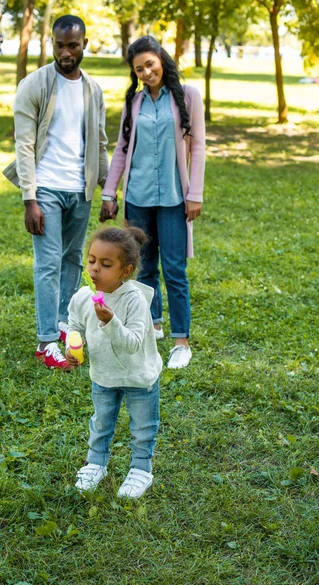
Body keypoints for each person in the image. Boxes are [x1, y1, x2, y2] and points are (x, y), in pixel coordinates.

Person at [3, 15, 109, 369]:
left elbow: (100, 142)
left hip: (79, 189)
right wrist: (29, 199)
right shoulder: (33, 85)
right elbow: (24, 145)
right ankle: (46, 341)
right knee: (48, 264)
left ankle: (64, 326)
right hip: (45, 187)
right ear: (51, 44)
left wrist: (106, 189)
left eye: (73, 45)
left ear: (84, 45)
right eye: (60, 45)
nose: (66, 52)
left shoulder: (93, 89)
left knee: (72, 259)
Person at [100, 36, 206, 370]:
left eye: (150, 64)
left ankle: (181, 342)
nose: (146, 72)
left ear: (161, 58)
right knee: (143, 268)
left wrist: (195, 194)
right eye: (139, 69)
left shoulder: (188, 96)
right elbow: (121, 149)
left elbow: (199, 147)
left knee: (175, 269)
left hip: (176, 198)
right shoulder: (134, 102)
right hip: (138, 198)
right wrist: (109, 193)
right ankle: (152, 324)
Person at [65, 227, 162, 499]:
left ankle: (141, 469)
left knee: (142, 428)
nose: (95, 269)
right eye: (92, 260)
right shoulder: (83, 297)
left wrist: (109, 321)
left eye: (106, 265)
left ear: (125, 271)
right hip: (104, 375)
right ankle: (96, 464)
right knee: (101, 424)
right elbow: (74, 324)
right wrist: (73, 344)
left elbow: (132, 343)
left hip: (138, 377)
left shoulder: (134, 300)